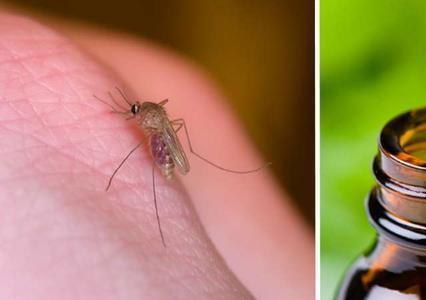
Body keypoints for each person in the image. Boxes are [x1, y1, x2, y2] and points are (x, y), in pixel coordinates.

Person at [0, 10, 314, 299]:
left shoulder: (165, 101)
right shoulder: (172, 89)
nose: (132, 113)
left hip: (166, 140)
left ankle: (164, 189)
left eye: (134, 110)